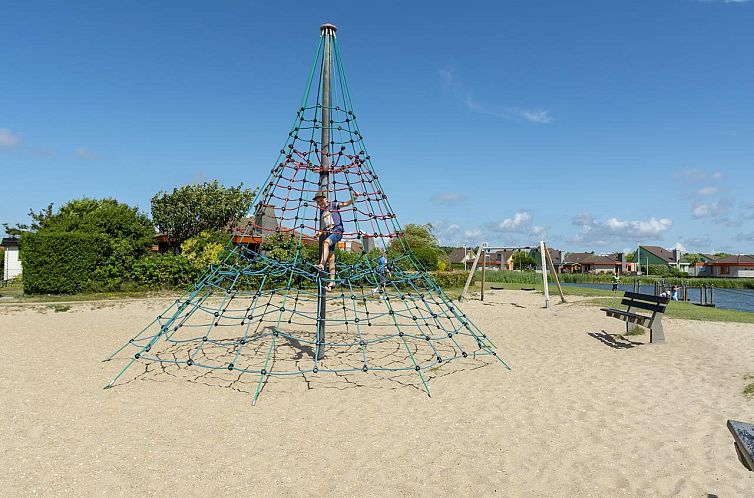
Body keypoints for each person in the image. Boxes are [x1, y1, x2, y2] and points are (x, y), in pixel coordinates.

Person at [314, 189, 359, 291]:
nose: (320, 203)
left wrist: (354, 197)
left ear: (326, 199)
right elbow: (327, 225)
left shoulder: (333, 205)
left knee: (325, 243)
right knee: (331, 258)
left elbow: (346, 204)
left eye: (321, 200)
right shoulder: (322, 212)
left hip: (337, 232)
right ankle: (332, 282)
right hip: (330, 233)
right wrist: (321, 232)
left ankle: (321, 264)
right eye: (318, 202)